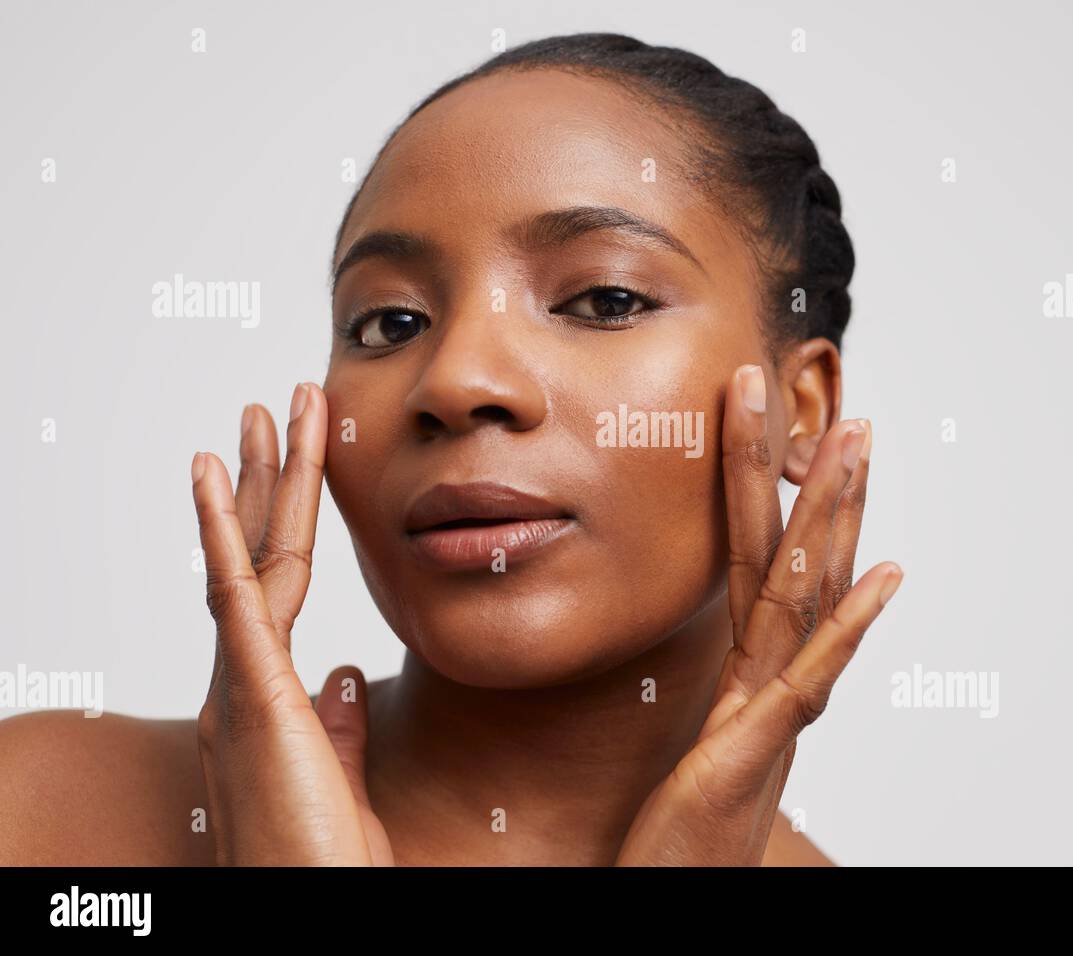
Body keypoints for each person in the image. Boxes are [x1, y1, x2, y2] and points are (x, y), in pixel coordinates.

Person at [0, 32, 902, 866]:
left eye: (603, 300)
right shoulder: (45, 812)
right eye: (392, 321)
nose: (457, 380)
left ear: (801, 406)